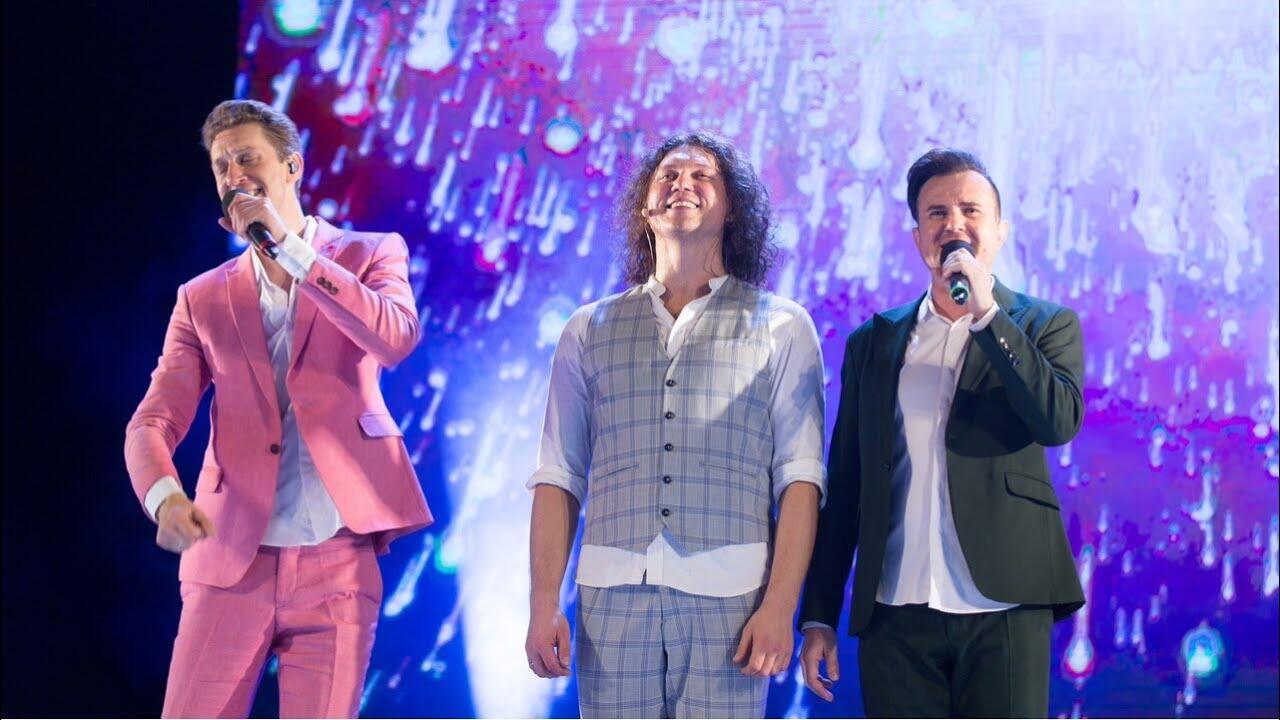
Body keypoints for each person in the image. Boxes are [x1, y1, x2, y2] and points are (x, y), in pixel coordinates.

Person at [124, 99, 432, 718]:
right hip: (231, 558)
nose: (233, 175)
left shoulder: (372, 253)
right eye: (221, 165)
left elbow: (395, 338)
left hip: (338, 558)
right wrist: (165, 498)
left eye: (247, 158)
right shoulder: (202, 298)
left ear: (292, 166)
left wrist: (293, 251)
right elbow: (152, 421)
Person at [523, 133, 826, 718]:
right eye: (668, 176)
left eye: (702, 176)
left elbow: (801, 480)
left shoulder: (782, 326)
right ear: (644, 207)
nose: (682, 184)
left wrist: (779, 607)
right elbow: (558, 475)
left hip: (733, 600)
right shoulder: (587, 328)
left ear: (732, 208)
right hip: (611, 598)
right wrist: (542, 605)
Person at [798, 148, 1086, 717]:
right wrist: (819, 615)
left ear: (999, 231)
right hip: (896, 606)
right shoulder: (873, 342)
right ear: (917, 237)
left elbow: (1056, 421)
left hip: (1004, 601)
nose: (954, 224)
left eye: (970, 210)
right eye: (937, 213)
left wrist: (987, 318)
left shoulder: (1044, 324)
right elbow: (849, 480)